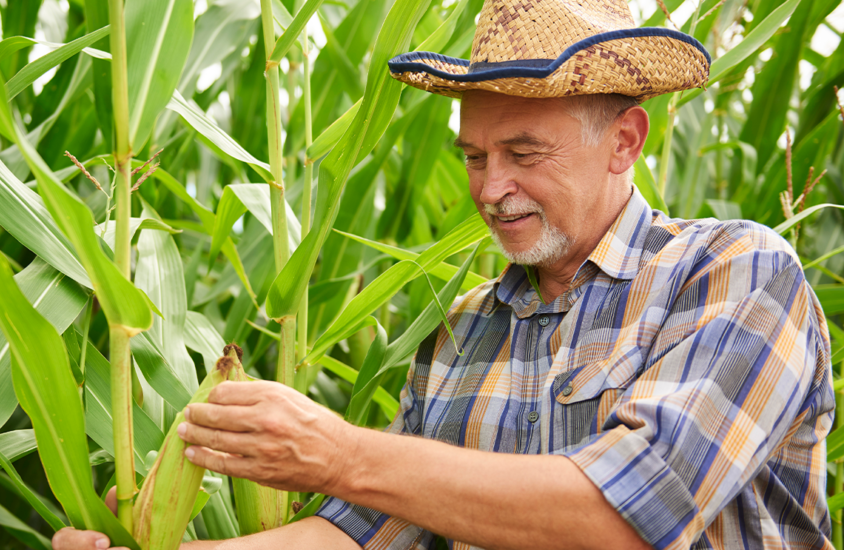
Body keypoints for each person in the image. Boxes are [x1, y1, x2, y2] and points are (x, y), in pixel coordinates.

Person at [55, 0, 835, 547]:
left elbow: (633, 514)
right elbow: (365, 534)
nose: (490, 189)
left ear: (625, 141)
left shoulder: (734, 273)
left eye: (524, 154)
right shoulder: (465, 327)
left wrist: (339, 454)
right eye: (474, 157)